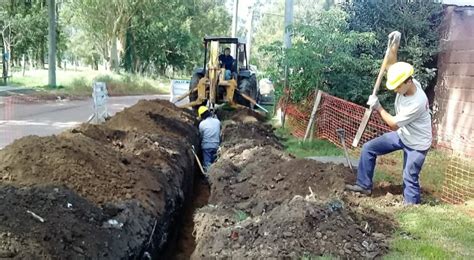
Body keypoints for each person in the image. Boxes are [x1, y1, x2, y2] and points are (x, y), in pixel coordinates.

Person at [345, 62, 432, 205]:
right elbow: (393, 63)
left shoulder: (417, 103)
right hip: (403, 135)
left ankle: (411, 206)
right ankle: (363, 186)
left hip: (417, 143)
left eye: (398, 86)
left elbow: (393, 124)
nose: (395, 90)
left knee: (409, 176)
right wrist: (394, 43)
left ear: (409, 81)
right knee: (368, 148)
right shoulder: (410, 81)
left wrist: (378, 107)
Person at [198, 106, 221, 172]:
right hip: (216, 146)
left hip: (206, 147)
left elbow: (201, 136)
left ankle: (208, 177)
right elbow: (220, 132)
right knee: (215, 163)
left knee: (207, 164)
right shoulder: (217, 121)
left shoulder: (202, 124)